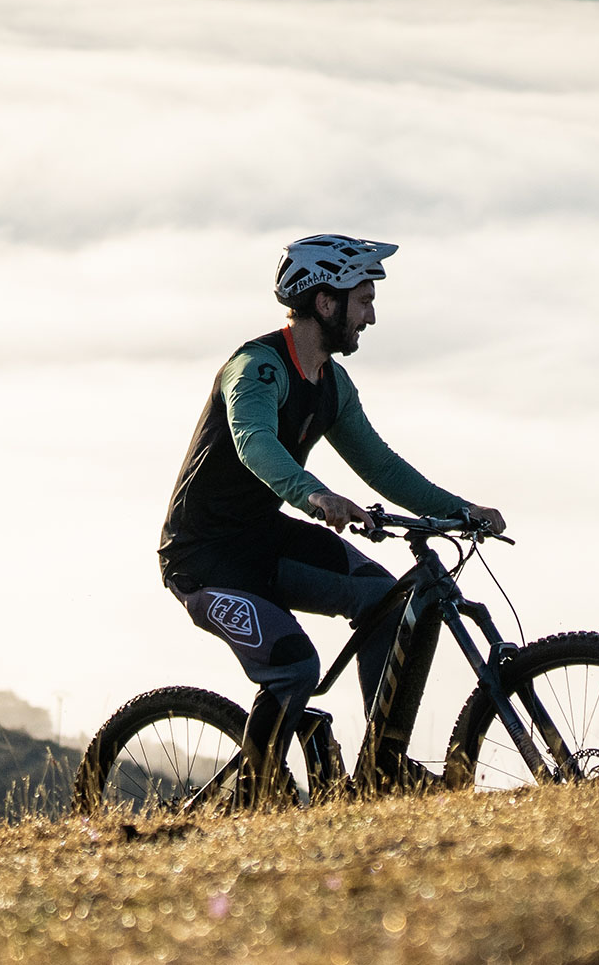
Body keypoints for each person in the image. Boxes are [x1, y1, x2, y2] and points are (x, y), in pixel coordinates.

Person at [158, 234, 504, 799]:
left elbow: (383, 468)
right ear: (326, 302)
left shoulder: (332, 385)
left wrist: (460, 511)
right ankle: (256, 800)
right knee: (295, 666)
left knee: (386, 602)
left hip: (265, 543)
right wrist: (314, 495)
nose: (370, 316)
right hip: (204, 559)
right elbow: (253, 443)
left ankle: (382, 770)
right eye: (363, 300)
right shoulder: (256, 368)